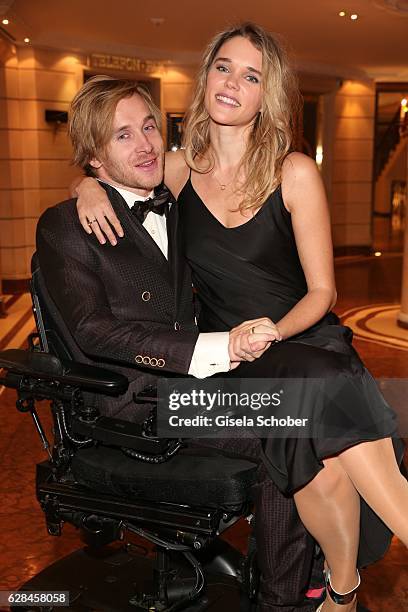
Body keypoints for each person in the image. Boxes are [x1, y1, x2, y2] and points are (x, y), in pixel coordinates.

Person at [73, 23, 408, 612]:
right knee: (321, 434)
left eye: (251, 75)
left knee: (321, 402)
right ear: (205, 78)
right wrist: (85, 185)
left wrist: (277, 330)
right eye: (223, 67)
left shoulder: (294, 171)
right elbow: (121, 168)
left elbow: (324, 291)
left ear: (267, 94)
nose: (233, 82)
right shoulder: (176, 171)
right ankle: (344, 591)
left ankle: (345, 590)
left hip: (303, 344)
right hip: (232, 366)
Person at [37, 75, 326, 612]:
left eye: (148, 126)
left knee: (312, 411)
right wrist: (213, 350)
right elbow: (94, 331)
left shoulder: (175, 204)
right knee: (286, 430)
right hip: (138, 401)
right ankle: (286, 599)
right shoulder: (64, 227)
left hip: (198, 386)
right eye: (122, 135)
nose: (145, 143)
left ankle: (303, 577)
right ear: (93, 157)